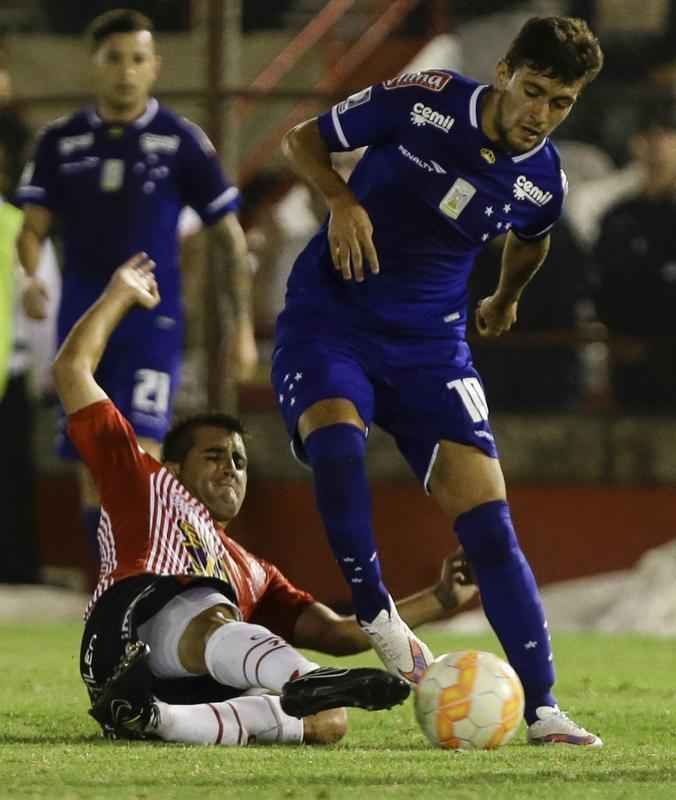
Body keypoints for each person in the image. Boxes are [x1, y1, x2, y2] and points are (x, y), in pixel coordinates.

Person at [272, 16, 604, 745]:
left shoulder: (543, 176)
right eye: (533, 92)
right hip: (335, 316)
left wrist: (506, 298)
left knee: (490, 518)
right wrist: (339, 198)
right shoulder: (426, 98)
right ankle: (376, 611)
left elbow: (532, 240)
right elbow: (302, 139)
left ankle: (544, 709)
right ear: (507, 70)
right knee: (335, 440)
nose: (539, 115)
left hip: (432, 347)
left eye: (561, 103)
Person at [53, 253, 477, 745]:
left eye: (238, 460)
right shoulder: (142, 481)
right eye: (214, 456)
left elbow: (338, 634)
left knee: (328, 722)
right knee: (210, 605)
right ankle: (299, 679)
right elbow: (71, 369)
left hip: (174, 685)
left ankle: (149, 719)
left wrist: (442, 598)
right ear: (175, 469)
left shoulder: (251, 571)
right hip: (119, 640)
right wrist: (119, 294)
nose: (230, 468)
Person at [15, 9, 258, 558]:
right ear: (93, 66)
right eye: (114, 59)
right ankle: (105, 586)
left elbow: (229, 238)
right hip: (81, 320)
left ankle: (143, 579)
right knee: (91, 461)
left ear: (155, 67)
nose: (126, 71)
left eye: (138, 59)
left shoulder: (181, 141)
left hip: (153, 321)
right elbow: (31, 232)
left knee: (141, 453)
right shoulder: (60, 141)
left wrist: (240, 325)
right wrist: (31, 278)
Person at [592, 94, 676, 411]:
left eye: (667, 134)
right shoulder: (617, 218)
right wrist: (619, 336)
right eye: (647, 136)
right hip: (631, 370)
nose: (656, 146)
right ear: (634, 145)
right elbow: (603, 285)